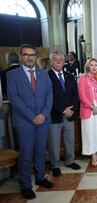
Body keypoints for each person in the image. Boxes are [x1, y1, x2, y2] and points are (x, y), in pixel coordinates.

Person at [7, 44, 53, 199]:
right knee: (26, 154)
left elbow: (49, 96)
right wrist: (32, 116)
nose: (30, 57)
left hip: (43, 121)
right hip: (25, 122)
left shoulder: (44, 75)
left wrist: (44, 115)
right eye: (26, 55)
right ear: (21, 56)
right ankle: (25, 184)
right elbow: (14, 99)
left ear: (36, 56)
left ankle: (40, 177)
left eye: (32, 54)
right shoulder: (12, 75)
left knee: (41, 151)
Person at [47, 51, 81, 177]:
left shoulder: (69, 76)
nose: (58, 62)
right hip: (54, 115)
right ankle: (55, 165)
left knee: (69, 140)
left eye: (60, 60)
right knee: (54, 142)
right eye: (55, 60)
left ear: (64, 61)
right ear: (51, 62)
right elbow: (49, 97)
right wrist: (62, 109)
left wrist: (71, 109)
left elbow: (74, 95)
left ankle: (70, 161)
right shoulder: (46, 76)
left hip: (69, 114)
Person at [78, 58, 97, 166]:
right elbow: (82, 95)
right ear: (88, 67)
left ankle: (96, 151)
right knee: (89, 133)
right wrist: (91, 106)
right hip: (88, 110)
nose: (94, 67)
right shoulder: (83, 79)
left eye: (96, 65)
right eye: (92, 65)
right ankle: (92, 155)